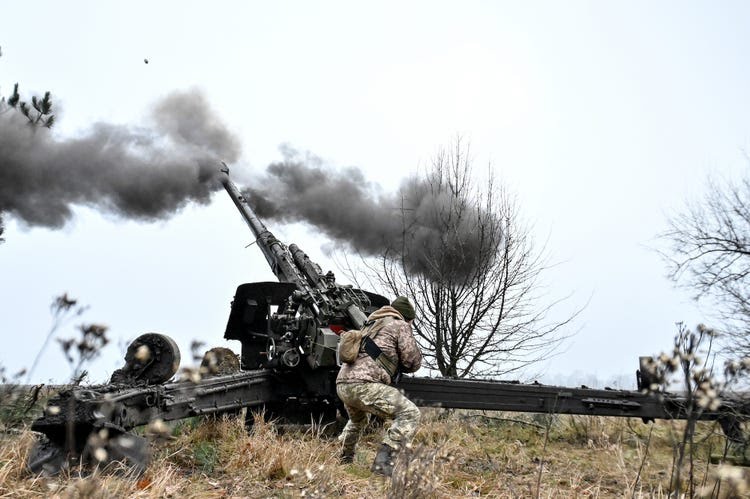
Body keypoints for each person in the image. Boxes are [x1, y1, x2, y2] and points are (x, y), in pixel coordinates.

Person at [336, 296, 423, 476]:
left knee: (358, 420)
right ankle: (383, 467)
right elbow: (412, 360)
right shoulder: (400, 325)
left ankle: (343, 458)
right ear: (407, 317)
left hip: (343, 384)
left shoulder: (370, 324)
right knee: (410, 413)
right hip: (363, 384)